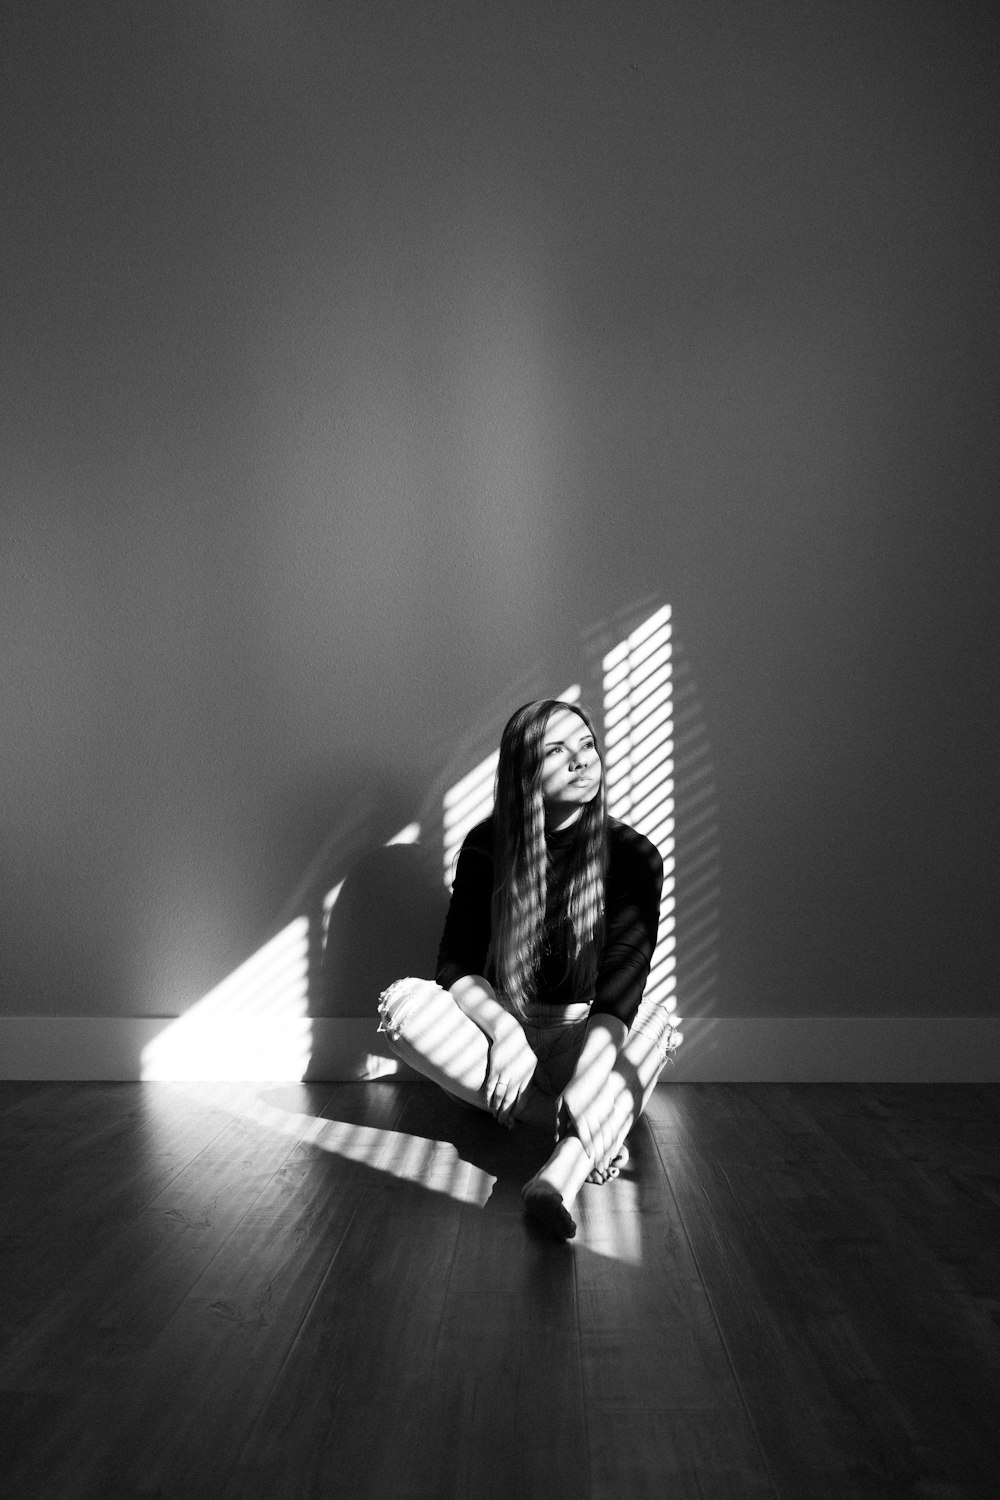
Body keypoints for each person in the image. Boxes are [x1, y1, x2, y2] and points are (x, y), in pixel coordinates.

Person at [377, 698, 678, 1238]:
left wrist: (587, 1077)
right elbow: (455, 963)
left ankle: (558, 1175)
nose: (582, 762)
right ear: (525, 773)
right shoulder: (486, 846)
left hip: (583, 1037)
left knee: (658, 1022)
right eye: (557, 752)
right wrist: (505, 1032)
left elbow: (621, 988)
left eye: (587, 746)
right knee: (401, 1003)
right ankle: (582, 1134)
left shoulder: (635, 856)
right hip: (499, 1049)